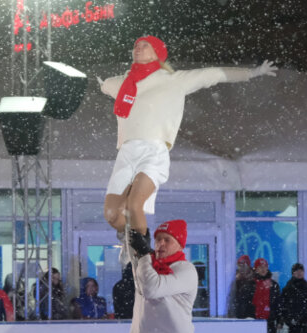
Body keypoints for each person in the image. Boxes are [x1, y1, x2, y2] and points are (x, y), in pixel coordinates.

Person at [99, 35, 276, 255]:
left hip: (153, 150)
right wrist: (102, 84)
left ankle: (141, 254)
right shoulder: (124, 83)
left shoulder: (174, 80)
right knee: (111, 214)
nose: (138, 48)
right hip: (126, 152)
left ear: (158, 54)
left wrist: (252, 73)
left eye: (145, 46)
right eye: (136, 45)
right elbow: (105, 85)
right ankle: (127, 234)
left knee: (135, 204)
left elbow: (213, 74)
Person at [229, 254, 256, 319]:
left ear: (248, 266)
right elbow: (233, 297)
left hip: (251, 312)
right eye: (239, 266)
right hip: (239, 312)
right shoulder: (235, 279)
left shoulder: (255, 279)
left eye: (243, 265)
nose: (241, 268)